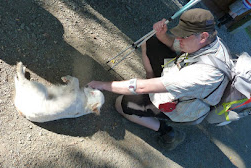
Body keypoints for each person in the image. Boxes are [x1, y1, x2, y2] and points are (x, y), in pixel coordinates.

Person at [88, 8, 234, 150]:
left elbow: (140, 87)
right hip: (177, 76)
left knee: (122, 105)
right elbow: (172, 44)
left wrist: (102, 85)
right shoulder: (210, 40)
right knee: (150, 42)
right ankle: (152, 89)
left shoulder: (205, 74)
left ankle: (168, 132)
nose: (179, 39)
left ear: (203, 36)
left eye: (183, 36)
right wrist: (162, 34)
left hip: (183, 107)